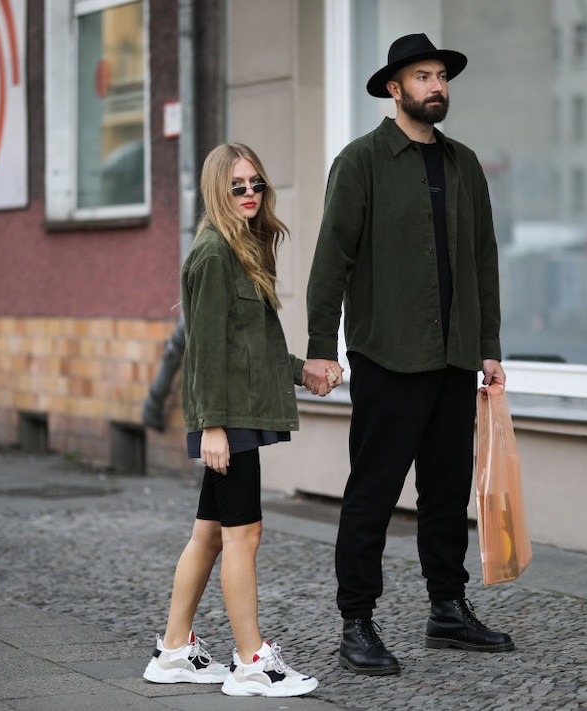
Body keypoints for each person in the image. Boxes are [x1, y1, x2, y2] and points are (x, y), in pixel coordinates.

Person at [303, 33, 514, 676]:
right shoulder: (361, 161)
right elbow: (331, 260)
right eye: (423, 77)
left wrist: (489, 349)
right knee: (373, 491)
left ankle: (447, 610)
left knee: (447, 494)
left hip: (453, 359)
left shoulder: (464, 164)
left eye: (441, 76)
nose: (436, 86)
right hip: (388, 356)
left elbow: (482, 261)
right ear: (395, 88)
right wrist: (319, 347)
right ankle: (356, 623)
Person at [143, 143, 335, 697]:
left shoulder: (244, 247)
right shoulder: (212, 255)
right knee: (243, 534)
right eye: (238, 186)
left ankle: (175, 650)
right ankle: (253, 662)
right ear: (216, 192)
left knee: (209, 534)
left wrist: (305, 374)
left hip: (237, 412)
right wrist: (212, 427)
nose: (250, 194)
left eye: (256, 184)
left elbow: (253, 347)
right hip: (228, 420)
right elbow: (203, 351)